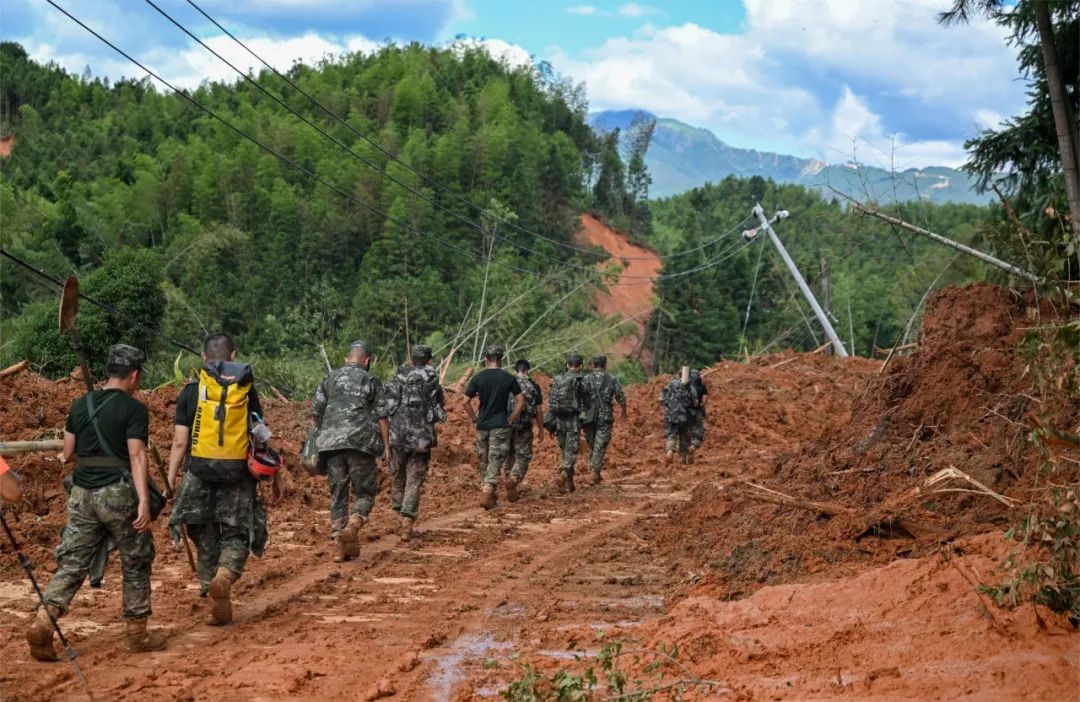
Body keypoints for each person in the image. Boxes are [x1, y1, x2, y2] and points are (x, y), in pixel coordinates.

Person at [26, 344, 166, 661]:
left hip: (81, 494)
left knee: (73, 562)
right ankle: (136, 635)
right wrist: (144, 501)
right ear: (134, 375)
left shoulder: (79, 404)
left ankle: (44, 620)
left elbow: (69, 452)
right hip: (117, 493)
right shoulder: (134, 410)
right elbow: (137, 455)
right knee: (136, 558)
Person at [167, 333, 284, 626]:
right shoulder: (245, 389)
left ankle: (210, 587)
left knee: (202, 531)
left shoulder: (191, 391)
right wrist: (277, 473)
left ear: (204, 359)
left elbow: (180, 443)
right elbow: (259, 434)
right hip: (237, 474)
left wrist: (171, 478)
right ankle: (225, 575)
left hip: (198, 473)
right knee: (238, 533)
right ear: (233, 357)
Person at [311, 341, 389, 562]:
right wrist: (386, 447)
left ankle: (339, 544)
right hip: (360, 443)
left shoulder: (330, 378)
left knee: (338, 494)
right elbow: (383, 416)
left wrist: (315, 442)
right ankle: (354, 524)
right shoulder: (371, 380)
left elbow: (316, 413)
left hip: (331, 445)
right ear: (367, 361)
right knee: (365, 493)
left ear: (347, 359)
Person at [385, 344, 446, 540]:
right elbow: (439, 412)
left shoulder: (397, 378)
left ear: (411, 360)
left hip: (397, 436)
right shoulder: (433, 380)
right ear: (429, 361)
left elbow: (386, 407)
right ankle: (406, 522)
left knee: (397, 474)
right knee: (414, 480)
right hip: (421, 438)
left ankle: (398, 510)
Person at [463, 345, 523, 510]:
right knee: (495, 459)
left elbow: (465, 401)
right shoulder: (508, 378)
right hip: (500, 424)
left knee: (484, 459)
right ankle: (489, 489)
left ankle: (488, 492)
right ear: (501, 360)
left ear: (486, 360)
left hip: (482, 424)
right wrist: (512, 418)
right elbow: (521, 401)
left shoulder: (478, 377)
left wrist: (474, 419)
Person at [580, 354, 627, 485]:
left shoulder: (586, 379)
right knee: (600, 445)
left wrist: (581, 417)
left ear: (593, 365)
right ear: (605, 366)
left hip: (588, 416)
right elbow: (620, 396)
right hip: (605, 416)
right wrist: (624, 411)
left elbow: (581, 399)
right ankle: (594, 471)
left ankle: (594, 471)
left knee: (592, 444)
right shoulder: (612, 379)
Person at [501, 359, 543, 501]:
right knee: (523, 456)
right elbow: (538, 410)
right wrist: (541, 429)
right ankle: (513, 480)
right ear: (528, 370)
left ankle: (508, 480)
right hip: (524, 427)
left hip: (506, 424)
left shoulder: (506, 382)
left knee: (508, 455)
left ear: (515, 370)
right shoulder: (534, 385)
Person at [546, 354, 588, 493]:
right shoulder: (581, 380)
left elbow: (551, 403)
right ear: (580, 366)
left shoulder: (557, 379)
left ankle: (569, 483)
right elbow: (585, 404)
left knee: (565, 451)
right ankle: (564, 472)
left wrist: (550, 425)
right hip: (573, 421)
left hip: (559, 421)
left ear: (567, 365)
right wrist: (583, 422)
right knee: (571, 451)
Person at [660, 373, 699, 464]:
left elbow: (662, 396)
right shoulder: (690, 388)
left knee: (671, 435)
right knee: (684, 437)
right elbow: (695, 403)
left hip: (671, 416)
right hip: (685, 417)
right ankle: (682, 457)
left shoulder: (671, 384)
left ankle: (670, 450)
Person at [688, 369, 708, 455]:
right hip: (697, 410)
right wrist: (702, 405)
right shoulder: (702, 385)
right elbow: (704, 398)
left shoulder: (686, 385)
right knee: (698, 428)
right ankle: (694, 444)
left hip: (686, 411)